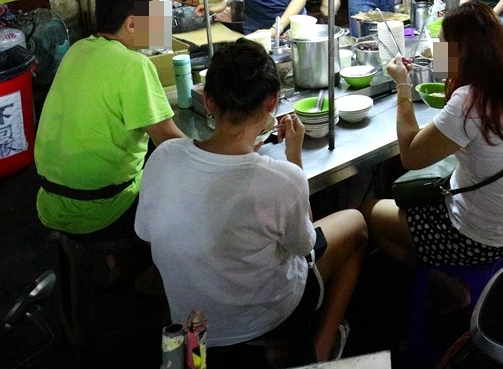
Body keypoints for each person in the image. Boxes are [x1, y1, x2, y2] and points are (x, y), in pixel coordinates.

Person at [135, 40, 367, 363]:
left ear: (209, 101)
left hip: (191, 318)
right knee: (356, 225)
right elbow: (304, 245)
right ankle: (322, 347)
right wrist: (294, 157)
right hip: (268, 314)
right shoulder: (284, 179)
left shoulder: (162, 157)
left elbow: (146, 233)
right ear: (272, 102)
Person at [361, 2, 503, 274]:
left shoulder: (471, 101)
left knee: (368, 212)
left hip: (478, 237)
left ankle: (447, 286)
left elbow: (410, 156)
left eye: (441, 45)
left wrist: (402, 85)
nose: (436, 52)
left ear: (463, 52)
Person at [35, 0, 185, 239]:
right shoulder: (133, 65)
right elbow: (170, 142)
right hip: (101, 211)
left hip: (51, 202)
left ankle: (114, 261)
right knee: (181, 192)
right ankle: (143, 269)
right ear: (132, 23)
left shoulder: (78, 49)